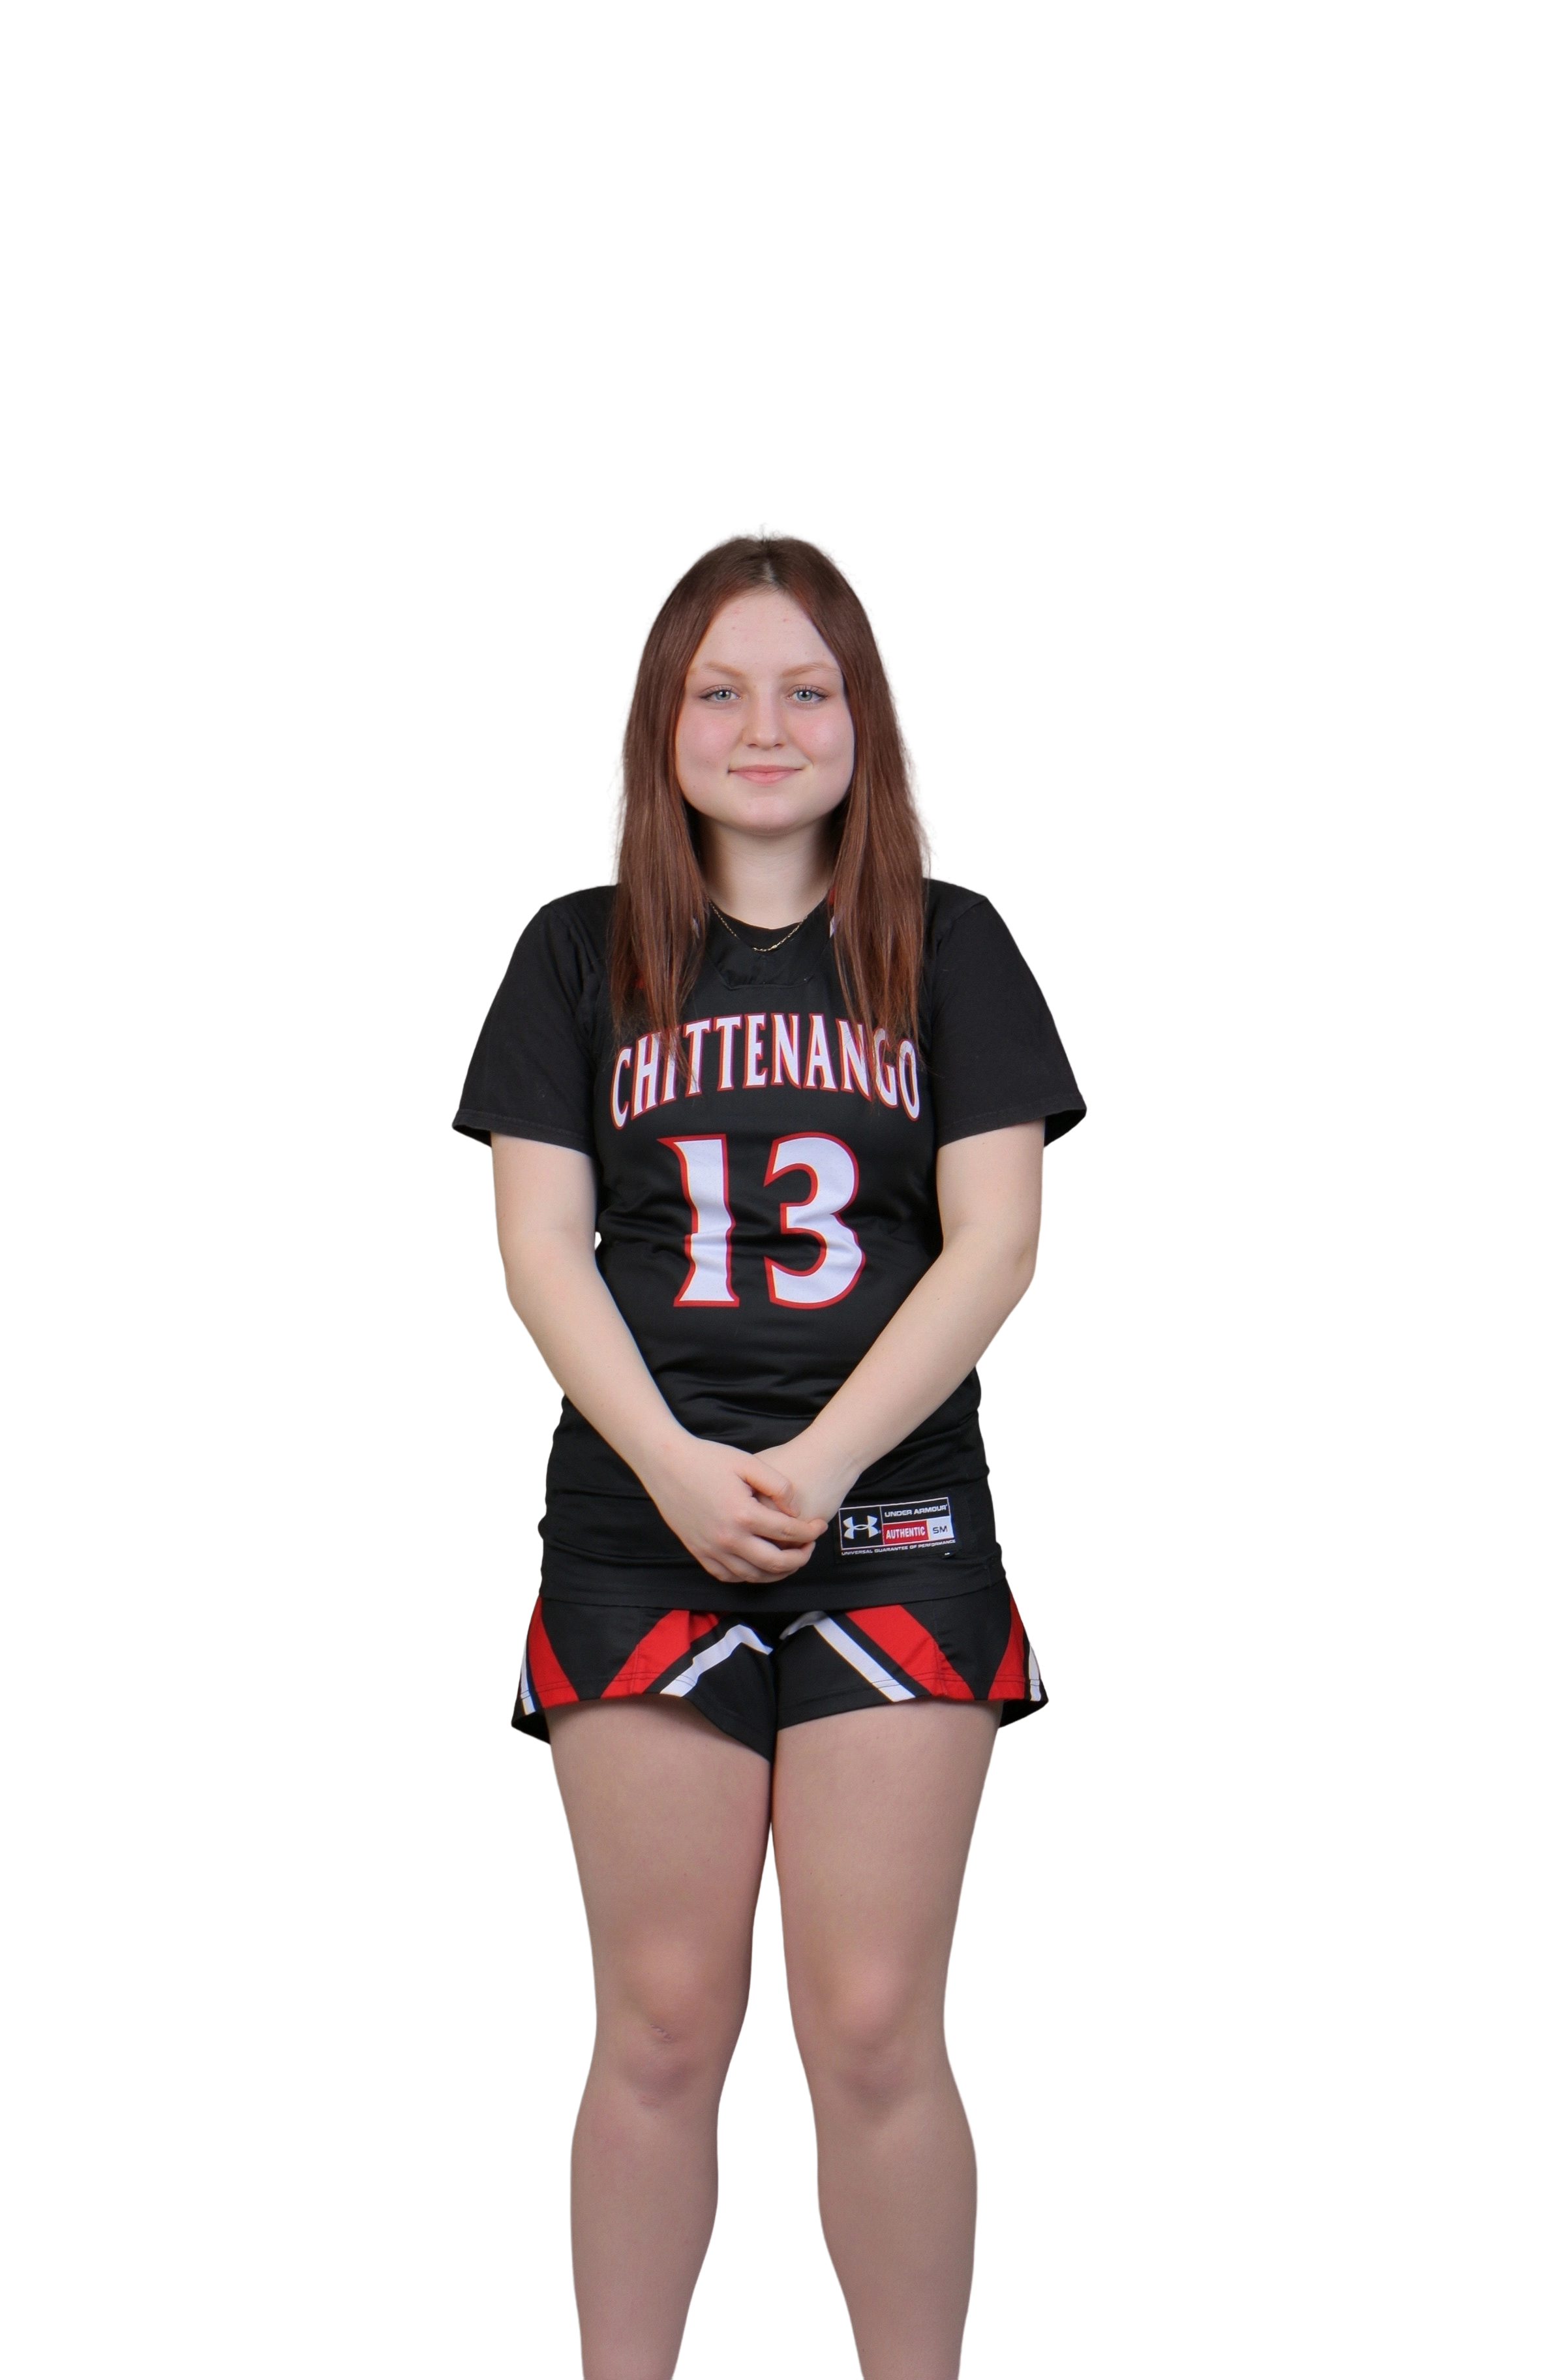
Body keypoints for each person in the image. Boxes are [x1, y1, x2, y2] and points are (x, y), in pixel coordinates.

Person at [449, 519, 1089, 2380]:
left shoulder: (956, 945)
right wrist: (672, 1461)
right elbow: (541, 1252)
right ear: (661, 720)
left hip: (897, 1521)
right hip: (637, 1523)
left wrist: (823, 1464)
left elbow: (997, 1242)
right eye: (720, 692)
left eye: (808, 691)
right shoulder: (573, 951)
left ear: (866, 719)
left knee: (876, 2020)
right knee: (662, 2021)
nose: (763, 729)